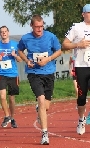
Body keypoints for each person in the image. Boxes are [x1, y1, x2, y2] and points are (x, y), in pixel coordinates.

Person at [18, 15, 62, 145]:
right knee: (42, 101)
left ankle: (40, 110)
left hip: (48, 73)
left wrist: (47, 59)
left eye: (41, 26)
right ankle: (44, 134)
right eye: (37, 27)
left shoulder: (50, 36)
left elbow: (59, 51)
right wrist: (27, 60)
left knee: (46, 106)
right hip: (34, 73)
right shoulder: (26, 38)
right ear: (32, 26)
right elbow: (20, 51)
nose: (39, 29)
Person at [62, 4, 90, 135]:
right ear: (83, 14)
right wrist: (79, 44)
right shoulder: (76, 27)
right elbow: (65, 44)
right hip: (81, 66)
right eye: (88, 12)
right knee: (82, 96)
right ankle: (81, 119)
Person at [0, 26, 22, 128]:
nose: (4, 33)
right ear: (0, 34)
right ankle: (6, 116)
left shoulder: (15, 44)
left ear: (8, 33)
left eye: (5, 31)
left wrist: (15, 56)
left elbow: (20, 60)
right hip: (1, 74)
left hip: (13, 74)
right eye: (2, 32)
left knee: (11, 98)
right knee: (2, 96)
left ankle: (12, 117)